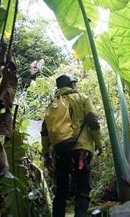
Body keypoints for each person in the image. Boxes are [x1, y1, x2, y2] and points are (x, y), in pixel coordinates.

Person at [41, 74, 103, 217]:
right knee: (82, 187)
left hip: (61, 150)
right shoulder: (82, 98)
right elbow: (93, 121)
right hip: (81, 149)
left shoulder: (53, 104)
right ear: (72, 85)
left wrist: (46, 154)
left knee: (61, 188)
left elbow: (45, 131)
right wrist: (99, 143)